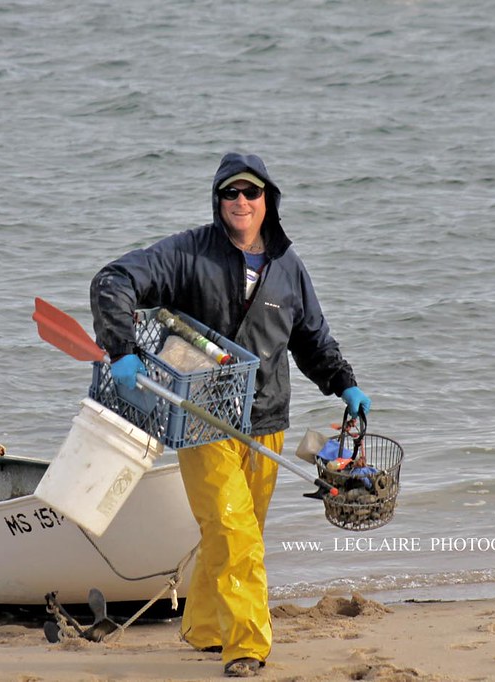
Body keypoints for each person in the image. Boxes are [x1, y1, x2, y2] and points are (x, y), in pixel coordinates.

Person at [89, 152, 371, 678]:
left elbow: (310, 338)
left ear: (269, 200)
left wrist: (346, 384)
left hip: (268, 422)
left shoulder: (288, 266)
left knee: (236, 534)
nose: (241, 202)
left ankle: (202, 627)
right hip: (201, 418)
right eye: (230, 193)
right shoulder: (187, 253)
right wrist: (121, 347)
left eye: (251, 193)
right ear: (218, 201)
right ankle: (247, 645)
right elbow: (113, 281)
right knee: (232, 528)